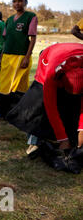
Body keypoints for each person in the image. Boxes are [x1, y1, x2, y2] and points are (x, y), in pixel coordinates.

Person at [6, 43, 83, 174]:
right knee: (39, 107)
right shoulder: (51, 75)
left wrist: (81, 129)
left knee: (71, 107)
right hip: (48, 59)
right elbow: (51, 109)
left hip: (71, 56)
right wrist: (63, 140)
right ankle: (34, 141)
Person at [0, 0, 37, 118]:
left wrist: (27, 57)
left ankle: (16, 114)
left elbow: (33, 39)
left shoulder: (31, 17)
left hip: (20, 57)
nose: (17, 3)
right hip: (7, 56)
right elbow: (5, 41)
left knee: (17, 87)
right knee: (3, 85)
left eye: (20, 1)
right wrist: (1, 57)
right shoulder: (9, 20)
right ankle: (2, 112)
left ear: (26, 2)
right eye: (14, 1)